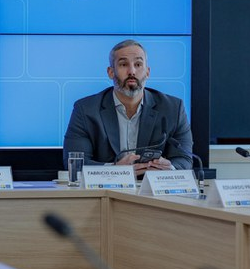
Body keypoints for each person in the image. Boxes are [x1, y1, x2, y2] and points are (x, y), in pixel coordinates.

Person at [63, 39, 193, 176]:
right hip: (105, 192)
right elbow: (75, 164)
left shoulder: (173, 108)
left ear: (147, 72)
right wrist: (115, 169)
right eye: (124, 64)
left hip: (152, 192)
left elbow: (184, 159)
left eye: (138, 64)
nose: (132, 71)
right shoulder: (86, 109)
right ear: (110, 72)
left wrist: (169, 169)